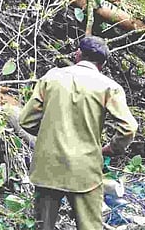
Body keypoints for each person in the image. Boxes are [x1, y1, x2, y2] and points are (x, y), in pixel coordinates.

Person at [19, 36, 138, 230]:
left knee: (43, 226)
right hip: (85, 169)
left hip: (48, 166)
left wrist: (49, 135)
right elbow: (129, 128)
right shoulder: (109, 87)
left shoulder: (51, 78)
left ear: (78, 54)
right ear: (103, 63)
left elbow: (25, 120)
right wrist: (110, 149)